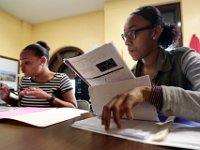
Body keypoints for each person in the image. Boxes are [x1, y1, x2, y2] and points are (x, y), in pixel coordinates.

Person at [102, 6, 200, 130]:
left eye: (132, 33)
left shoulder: (185, 58)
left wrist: (150, 94)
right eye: (125, 35)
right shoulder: (132, 74)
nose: (127, 42)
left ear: (155, 32)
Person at [0, 41, 77, 108]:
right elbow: (18, 103)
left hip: (50, 124)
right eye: (21, 63)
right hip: (25, 123)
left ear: (42, 61)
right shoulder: (24, 80)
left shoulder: (61, 79)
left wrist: (49, 97)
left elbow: (73, 107)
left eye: (26, 62)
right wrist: (6, 97)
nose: (21, 67)